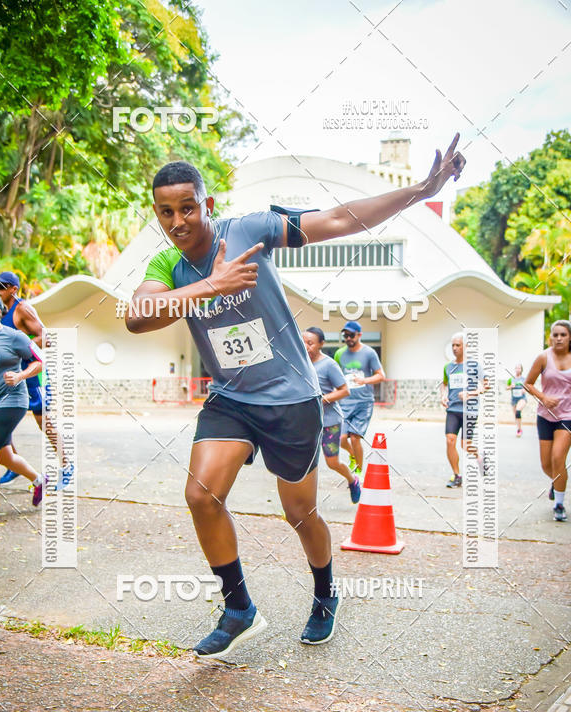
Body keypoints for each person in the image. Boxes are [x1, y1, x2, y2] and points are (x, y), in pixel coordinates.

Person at [126, 135, 465, 660]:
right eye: (165, 212)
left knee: (300, 513)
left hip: (291, 398)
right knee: (201, 496)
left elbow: (339, 219)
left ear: (206, 204)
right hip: (231, 398)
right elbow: (137, 316)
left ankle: (326, 593)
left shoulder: (249, 230)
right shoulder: (166, 265)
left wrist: (420, 191)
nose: (177, 221)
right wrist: (212, 286)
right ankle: (239, 609)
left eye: (187, 208)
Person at [0, 271, 71, 489]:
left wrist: (21, 346)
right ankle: (14, 466)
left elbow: (47, 337)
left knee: (44, 422)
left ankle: (66, 466)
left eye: (1, 286)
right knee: (1, 419)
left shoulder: (22, 308)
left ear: (13, 289)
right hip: (11, 376)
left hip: (33, 375)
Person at [0, 292, 45, 527]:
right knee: (4, 456)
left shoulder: (15, 337)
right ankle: (39, 480)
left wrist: (21, 375)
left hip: (11, 400)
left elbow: (39, 360)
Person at [302, 327, 361, 503]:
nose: (306, 346)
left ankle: (352, 480)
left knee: (332, 462)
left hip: (330, 422)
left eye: (310, 343)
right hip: (307, 423)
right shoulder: (300, 362)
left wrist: (321, 400)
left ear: (321, 344)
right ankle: (302, 501)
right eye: (303, 342)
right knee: (304, 461)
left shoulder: (329, 365)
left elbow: (344, 390)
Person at [524, 320, 571, 522]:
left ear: (570, 337)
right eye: (555, 335)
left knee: (558, 458)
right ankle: (557, 482)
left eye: (563, 335)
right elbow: (528, 383)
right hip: (545, 416)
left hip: (567, 416)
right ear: (550, 337)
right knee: (546, 464)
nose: (558, 338)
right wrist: (543, 397)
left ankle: (559, 504)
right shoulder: (543, 357)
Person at [335, 322, 385, 474]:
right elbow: (336, 375)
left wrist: (364, 380)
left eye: (351, 335)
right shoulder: (339, 354)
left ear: (359, 335)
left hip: (364, 402)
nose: (348, 338)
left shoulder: (369, 353)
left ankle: (358, 472)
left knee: (355, 438)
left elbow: (381, 376)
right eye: (345, 335)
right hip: (345, 402)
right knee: (341, 438)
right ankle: (353, 456)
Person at [440, 332, 486, 487]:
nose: (454, 348)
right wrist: (443, 396)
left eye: (458, 345)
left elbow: (485, 385)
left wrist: (470, 393)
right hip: (453, 409)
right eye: (453, 345)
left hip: (470, 410)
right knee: (450, 440)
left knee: (465, 445)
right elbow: (444, 384)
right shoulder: (448, 367)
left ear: (466, 346)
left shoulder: (474, 366)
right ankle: (457, 475)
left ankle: (479, 457)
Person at [506, 363, 527, 436]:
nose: (518, 369)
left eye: (519, 368)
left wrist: (524, 389)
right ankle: (519, 429)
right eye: (516, 368)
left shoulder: (524, 379)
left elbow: (528, 387)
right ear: (515, 369)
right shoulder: (511, 379)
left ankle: (519, 430)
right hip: (514, 399)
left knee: (518, 411)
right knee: (516, 415)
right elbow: (506, 387)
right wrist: (511, 386)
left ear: (521, 370)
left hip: (522, 398)